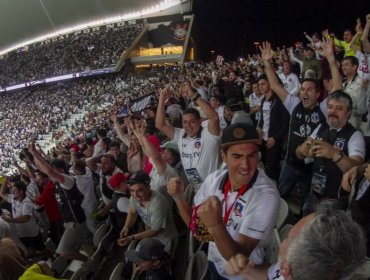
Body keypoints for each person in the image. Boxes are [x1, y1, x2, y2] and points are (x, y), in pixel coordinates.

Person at [167, 122, 280, 279]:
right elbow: (196, 228)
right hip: (214, 261)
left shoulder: (266, 196)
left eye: (252, 155)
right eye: (237, 156)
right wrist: (178, 197)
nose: (245, 165)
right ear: (223, 156)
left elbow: (239, 257)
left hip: (243, 276)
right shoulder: (214, 180)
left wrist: (215, 225)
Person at [260, 40, 342, 205]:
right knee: (279, 197)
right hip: (290, 165)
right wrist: (267, 63)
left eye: (309, 89)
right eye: (302, 89)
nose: (304, 92)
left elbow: (338, 90)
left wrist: (331, 61)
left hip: (310, 170)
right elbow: (275, 86)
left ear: (318, 94)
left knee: (307, 203)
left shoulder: (324, 109)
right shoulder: (294, 105)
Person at [225, 201, 366, 280]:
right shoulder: (305, 270)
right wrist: (247, 271)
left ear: (286, 271)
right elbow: (269, 275)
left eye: (288, 239)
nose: (284, 239)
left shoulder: (294, 266)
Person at [296, 91, 365, 214]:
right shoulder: (320, 128)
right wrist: (302, 150)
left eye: (339, 108)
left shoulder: (355, 135)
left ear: (348, 113)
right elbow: (299, 153)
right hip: (313, 193)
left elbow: (357, 168)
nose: (333, 111)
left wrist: (335, 154)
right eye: (330, 107)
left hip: (334, 201)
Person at [156, 86, 221, 186]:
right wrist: (161, 99)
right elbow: (160, 125)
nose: (188, 126)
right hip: (196, 189)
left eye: (192, 122)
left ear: (200, 121)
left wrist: (194, 96)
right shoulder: (180, 135)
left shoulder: (209, 134)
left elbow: (214, 117)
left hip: (214, 188)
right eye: (185, 122)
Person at [118, 171, 178, 254]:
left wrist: (131, 238)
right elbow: (132, 212)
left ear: (149, 187)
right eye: (132, 191)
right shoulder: (135, 197)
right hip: (150, 234)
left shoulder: (157, 203)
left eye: (140, 191)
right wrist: (126, 227)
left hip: (165, 237)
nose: (135, 195)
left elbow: (155, 230)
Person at [256, 74, 290, 181]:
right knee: (264, 167)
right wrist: (259, 129)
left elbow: (287, 123)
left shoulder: (279, 100)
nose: (260, 86)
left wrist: (275, 138)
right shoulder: (262, 101)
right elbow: (262, 119)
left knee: (272, 171)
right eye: (259, 84)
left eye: (263, 84)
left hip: (274, 141)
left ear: (270, 84)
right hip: (264, 141)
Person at [0, 179, 45, 253]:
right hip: (22, 233)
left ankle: (51, 257)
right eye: (12, 191)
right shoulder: (14, 198)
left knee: (42, 249)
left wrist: (11, 220)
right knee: (31, 251)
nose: (12, 193)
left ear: (21, 192)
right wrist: (5, 180)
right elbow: (1, 193)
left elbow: (25, 218)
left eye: (14, 191)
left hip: (32, 233)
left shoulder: (26, 202)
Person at [341, 56, 367, 130]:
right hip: (343, 122)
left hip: (356, 124)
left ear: (354, 67)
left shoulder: (361, 82)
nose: (343, 67)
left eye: (346, 65)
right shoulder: (343, 83)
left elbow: (361, 108)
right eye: (342, 65)